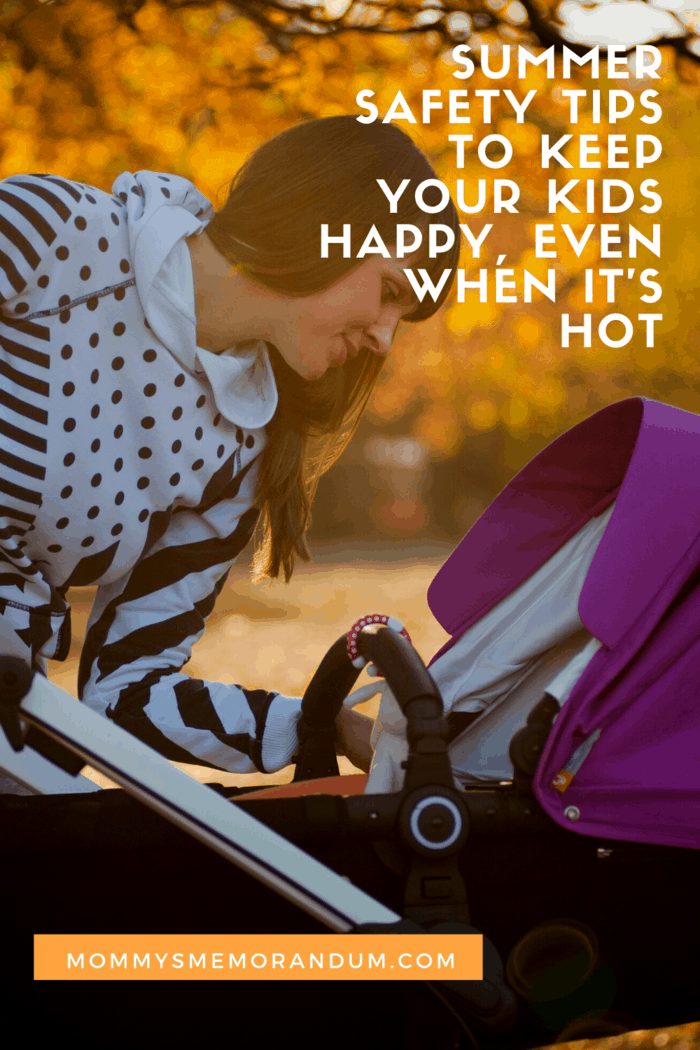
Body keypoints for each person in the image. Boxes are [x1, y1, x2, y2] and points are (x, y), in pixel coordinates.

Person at [0, 116, 459, 781]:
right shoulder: (56, 236)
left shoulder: (243, 442)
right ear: (318, 225)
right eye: (389, 292)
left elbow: (126, 691)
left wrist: (321, 723)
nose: (385, 342)